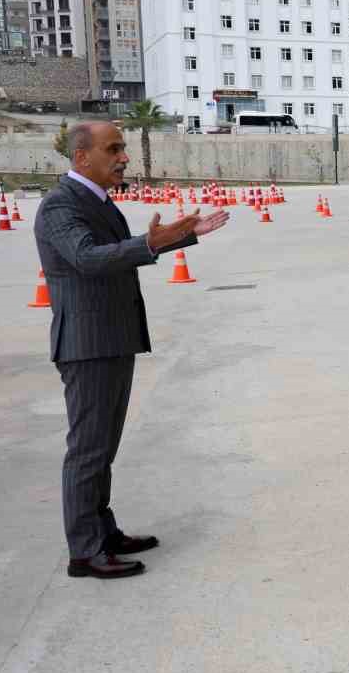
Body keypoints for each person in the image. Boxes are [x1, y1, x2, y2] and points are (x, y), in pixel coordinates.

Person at [34, 121, 229, 579]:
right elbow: (87, 258)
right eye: (114, 149)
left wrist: (179, 236)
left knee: (102, 447)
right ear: (82, 157)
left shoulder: (95, 201)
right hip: (88, 345)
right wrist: (153, 242)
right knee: (88, 450)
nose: (124, 157)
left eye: (123, 148)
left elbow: (115, 251)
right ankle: (84, 550)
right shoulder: (60, 206)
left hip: (110, 339)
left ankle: (103, 530)